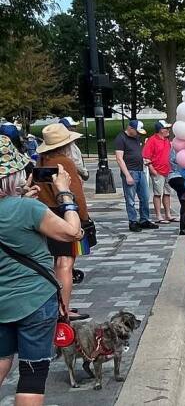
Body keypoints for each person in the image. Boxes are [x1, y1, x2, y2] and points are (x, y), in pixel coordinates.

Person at [0, 136, 83, 405]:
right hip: (34, 300)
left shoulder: (23, 205)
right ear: (13, 174)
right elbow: (72, 232)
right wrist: (64, 193)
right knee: (32, 376)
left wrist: (21, 196)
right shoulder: (27, 209)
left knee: (2, 359)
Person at [35, 123, 94, 322]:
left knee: (55, 264)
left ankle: (56, 306)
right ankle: (64, 310)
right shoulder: (64, 163)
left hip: (45, 215)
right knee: (66, 263)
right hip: (65, 213)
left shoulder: (41, 161)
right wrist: (84, 220)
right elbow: (76, 194)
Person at [114, 120, 156, 232]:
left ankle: (144, 219)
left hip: (140, 170)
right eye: (137, 131)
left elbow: (138, 152)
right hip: (130, 171)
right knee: (130, 199)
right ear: (130, 128)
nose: (138, 134)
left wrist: (144, 160)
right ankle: (132, 221)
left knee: (145, 197)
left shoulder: (136, 137)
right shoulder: (121, 138)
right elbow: (119, 158)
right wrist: (127, 175)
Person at [142, 120, 175, 224]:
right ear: (161, 130)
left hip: (167, 170)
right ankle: (158, 216)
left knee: (167, 193)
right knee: (158, 194)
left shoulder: (166, 140)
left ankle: (168, 214)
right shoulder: (152, 141)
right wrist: (152, 169)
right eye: (166, 128)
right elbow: (146, 156)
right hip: (158, 171)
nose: (168, 130)